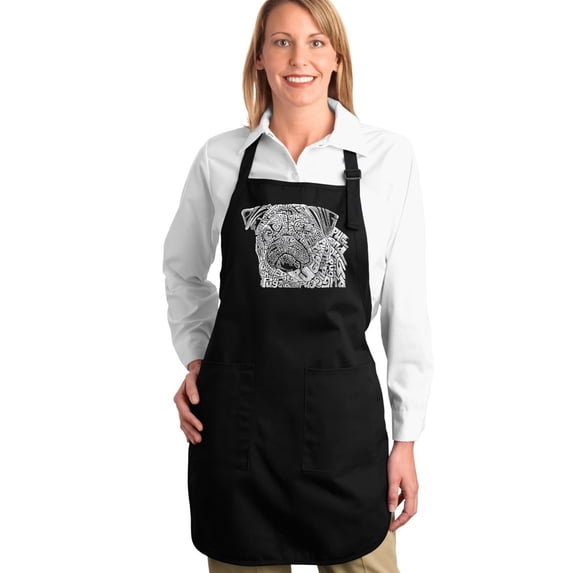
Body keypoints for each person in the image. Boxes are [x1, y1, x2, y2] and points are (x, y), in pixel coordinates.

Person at [162, 0, 433, 572]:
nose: (298, 59)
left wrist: (406, 438)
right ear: (260, 58)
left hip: (344, 432)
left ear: (337, 58)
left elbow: (405, 306)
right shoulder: (221, 158)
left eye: (315, 42)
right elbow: (183, 271)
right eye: (281, 42)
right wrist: (197, 359)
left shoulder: (386, 158)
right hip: (238, 433)